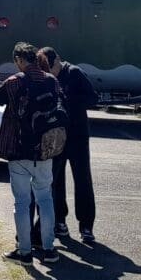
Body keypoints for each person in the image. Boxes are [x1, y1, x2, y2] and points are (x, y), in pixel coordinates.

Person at [0, 42, 62, 265]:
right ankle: (49, 249)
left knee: (22, 202)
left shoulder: (14, 82)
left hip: (18, 150)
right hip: (45, 149)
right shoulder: (51, 81)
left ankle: (24, 252)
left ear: (19, 60)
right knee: (45, 199)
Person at [38, 46, 99, 244]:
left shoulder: (74, 73)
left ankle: (86, 225)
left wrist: (68, 99)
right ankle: (59, 220)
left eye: (51, 68)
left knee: (82, 178)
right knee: (55, 179)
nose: (50, 73)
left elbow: (93, 98)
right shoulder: (47, 78)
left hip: (78, 135)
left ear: (58, 60)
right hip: (57, 135)